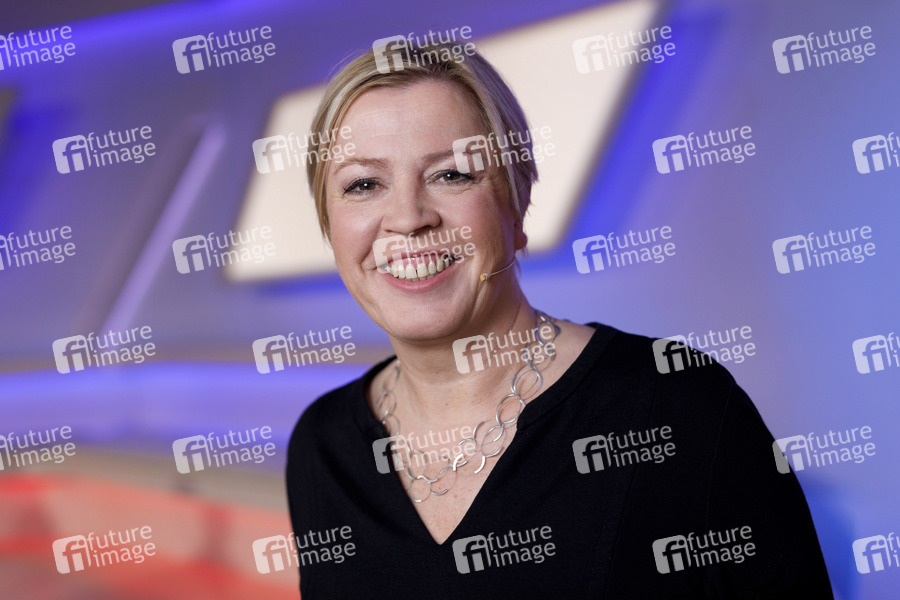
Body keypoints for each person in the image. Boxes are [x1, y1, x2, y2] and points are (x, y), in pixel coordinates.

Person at [285, 42, 833, 598]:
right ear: (330, 224)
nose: (408, 218)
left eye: (451, 174)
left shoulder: (680, 404)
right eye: (363, 184)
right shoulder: (321, 445)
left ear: (516, 203)